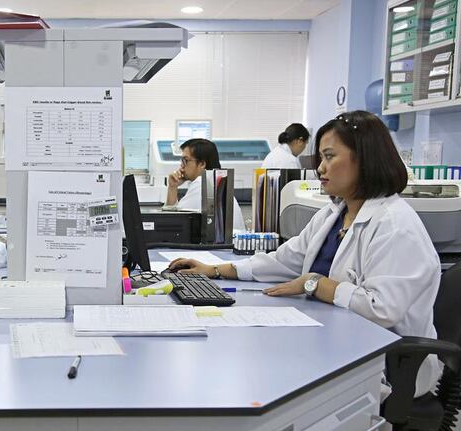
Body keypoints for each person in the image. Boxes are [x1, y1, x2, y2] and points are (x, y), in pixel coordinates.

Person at [168, 111, 441, 396]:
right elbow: (286, 260)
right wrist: (214, 270)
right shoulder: (334, 213)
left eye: (330, 157)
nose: (320, 169)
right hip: (335, 340)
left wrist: (315, 283)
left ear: (364, 158)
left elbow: (381, 309)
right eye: (319, 159)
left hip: (386, 364)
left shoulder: (395, 225)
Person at [165, 138, 246, 232]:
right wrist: (173, 187)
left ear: (202, 164)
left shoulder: (201, 185)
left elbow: (170, 223)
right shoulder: (215, 182)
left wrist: (172, 188)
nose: (181, 166)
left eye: (186, 160)